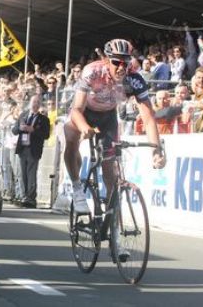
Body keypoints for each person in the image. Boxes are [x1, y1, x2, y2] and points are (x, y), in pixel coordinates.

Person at [63, 39, 165, 259]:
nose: (121, 67)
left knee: (112, 176)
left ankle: (115, 236)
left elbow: (148, 117)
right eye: (116, 62)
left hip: (108, 118)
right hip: (84, 113)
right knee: (70, 135)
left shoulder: (134, 80)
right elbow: (76, 110)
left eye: (125, 63)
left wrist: (156, 150)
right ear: (107, 60)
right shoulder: (93, 72)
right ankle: (77, 186)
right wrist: (85, 128)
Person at [12, 95, 50, 208]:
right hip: (22, 148)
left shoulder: (43, 119)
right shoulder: (23, 115)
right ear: (30, 103)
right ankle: (23, 196)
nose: (36, 104)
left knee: (31, 175)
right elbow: (14, 131)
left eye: (38, 102)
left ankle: (31, 198)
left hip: (34, 149)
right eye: (34, 101)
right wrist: (20, 128)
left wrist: (33, 130)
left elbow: (46, 135)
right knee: (22, 174)